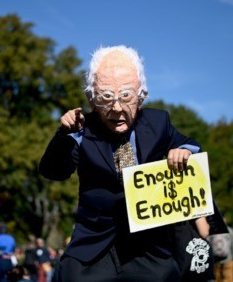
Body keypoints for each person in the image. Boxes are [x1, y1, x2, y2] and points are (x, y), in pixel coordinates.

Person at [39, 45, 203, 282]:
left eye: (125, 95)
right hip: (94, 247)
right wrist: (64, 134)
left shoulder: (159, 122)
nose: (116, 107)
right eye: (106, 97)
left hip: (148, 249)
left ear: (141, 96)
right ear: (92, 99)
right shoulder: (81, 128)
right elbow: (53, 171)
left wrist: (183, 151)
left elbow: (191, 145)